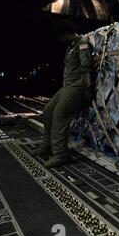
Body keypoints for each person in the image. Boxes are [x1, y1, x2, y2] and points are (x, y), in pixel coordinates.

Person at [32, 20, 94, 168]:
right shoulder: (71, 46)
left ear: (67, 33)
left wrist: (88, 88)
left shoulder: (82, 43)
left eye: (62, 36)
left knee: (59, 115)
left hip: (78, 86)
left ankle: (61, 155)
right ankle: (47, 146)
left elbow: (86, 66)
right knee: (48, 112)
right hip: (68, 86)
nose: (61, 39)